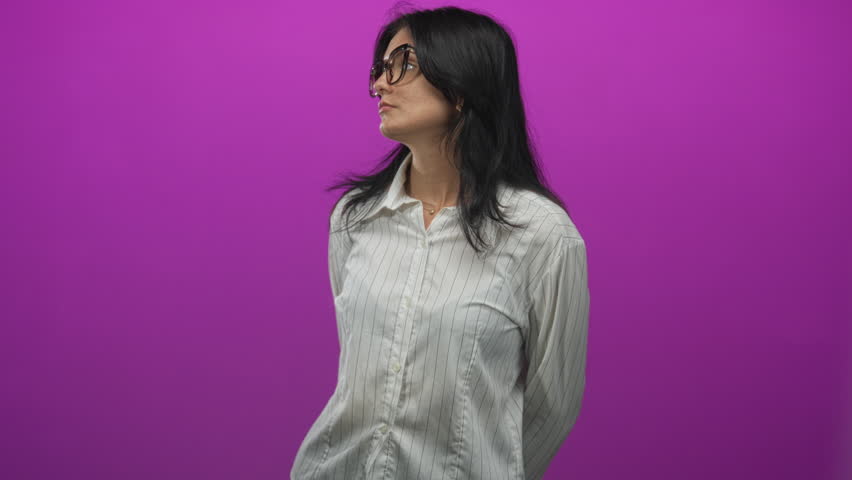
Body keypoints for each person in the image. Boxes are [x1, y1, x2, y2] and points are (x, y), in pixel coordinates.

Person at [291, 5, 590, 480]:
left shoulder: (544, 236)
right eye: (380, 69)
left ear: (463, 84)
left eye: (403, 64)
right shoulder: (354, 219)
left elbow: (551, 408)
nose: (379, 85)